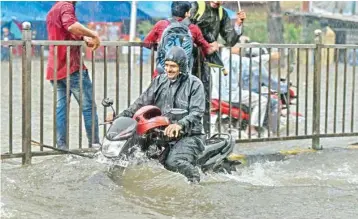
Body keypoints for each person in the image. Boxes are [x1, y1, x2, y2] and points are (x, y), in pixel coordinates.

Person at [107, 47, 206, 183]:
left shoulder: (195, 84)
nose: (168, 69)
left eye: (173, 66)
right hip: (162, 133)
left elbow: (197, 112)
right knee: (134, 149)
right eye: (166, 65)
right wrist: (119, 118)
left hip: (189, 135)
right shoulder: (160, 81)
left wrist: (180, 125)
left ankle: (194, 181)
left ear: (182, 66)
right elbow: (139, 104)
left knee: (173, 162)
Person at [46, 1, 101, 149]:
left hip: (56, 67)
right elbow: (71, 25)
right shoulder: (66, 5)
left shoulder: (54, 9)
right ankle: (94, 146)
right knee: (88, 107)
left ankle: (61, 146)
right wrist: (93, 34)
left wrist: (83, 38)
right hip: (71, 66)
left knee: (61, 108)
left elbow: (65, 32)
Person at [143, 1, 216, 78]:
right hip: (182, 75)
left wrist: (160, 47)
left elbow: (146, 43)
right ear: (186, 13)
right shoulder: (193, 28)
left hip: (162, 72)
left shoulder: (161, 24)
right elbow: (207, 49)